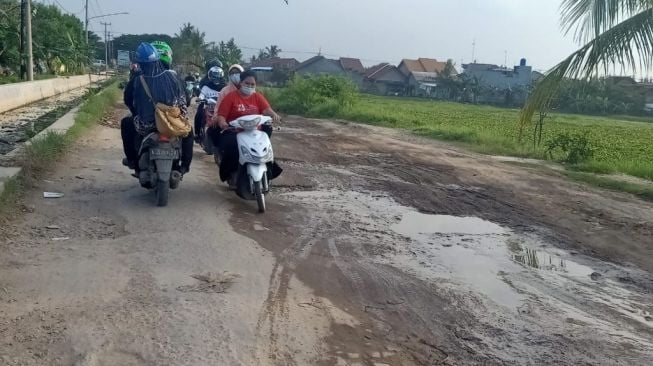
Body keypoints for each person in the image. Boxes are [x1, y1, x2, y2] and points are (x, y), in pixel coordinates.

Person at [121, 42, 193, 176]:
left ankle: (133, 162)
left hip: (145, 125)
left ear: (139, 62)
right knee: (188, 131)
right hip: (170, 124)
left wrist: (137, 113)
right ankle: (184, 167)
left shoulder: (137, 80)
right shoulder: (174, 78)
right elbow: (185, 101)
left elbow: (128, 101)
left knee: (126, 123)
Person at [214, 70, 282, 186]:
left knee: (265, 147)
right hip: (234, 131)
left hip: (254, 131)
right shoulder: (231, 97)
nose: (250, 86)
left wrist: (274, 115)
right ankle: (230, 172)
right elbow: (221, 116)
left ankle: (270, 170)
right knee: (232, 147)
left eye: (252, 84)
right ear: (241, 83)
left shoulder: (257, 97)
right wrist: (224, 123)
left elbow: (266, 110)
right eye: (247, 83)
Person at [194, 66, 225, 143]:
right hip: (207, 106)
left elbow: (227, 96)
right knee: (199, 114)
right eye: (214, 75)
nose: (216, 77)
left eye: (218, 75)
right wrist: (200, 99)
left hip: (219, 108)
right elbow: (202, 95)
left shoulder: (224, 87)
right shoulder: (206, 86)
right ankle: (197, 134)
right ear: (210, 76)